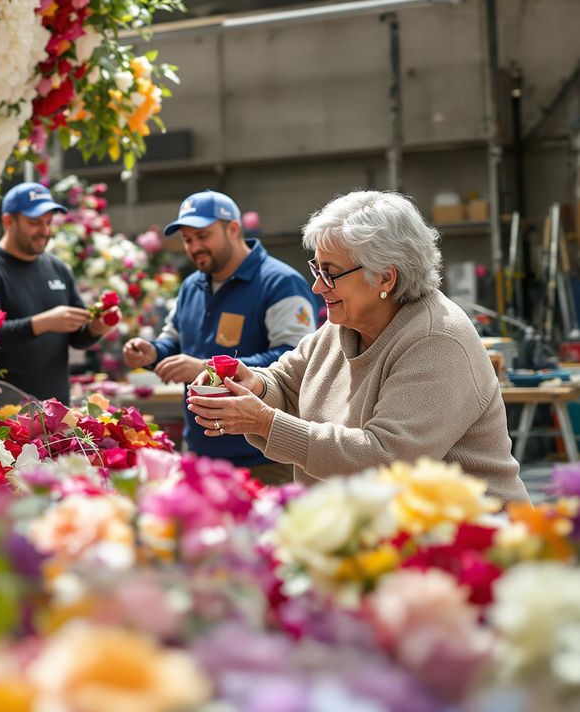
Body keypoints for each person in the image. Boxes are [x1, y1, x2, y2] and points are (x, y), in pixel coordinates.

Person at [186, 190, 529, 503]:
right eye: (316, 268)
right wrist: (253, 384)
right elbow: (287, 383)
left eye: (330, 273)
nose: (318, 287)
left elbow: (384, 462)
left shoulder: (435, 339)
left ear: (385, 277)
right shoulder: (345, 324)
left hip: (468, 547)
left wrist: (264, 422)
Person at [122, 191, 316, 484]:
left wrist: (203, 367)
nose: (194, 246)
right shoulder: (191, 286)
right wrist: (151, 352)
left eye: (203, 235)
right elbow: (173, 341)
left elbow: (296, 359)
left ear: (234, 229)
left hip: (264, 460)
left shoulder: (280, 282)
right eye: (187, 240)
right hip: (201, 455)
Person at [0, 182, 119, 404]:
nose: (44, 231)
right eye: (34, 223)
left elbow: (78, 337)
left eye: (48, 222)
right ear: (8, 221)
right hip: (1, 411)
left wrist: (96, 327)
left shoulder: (58, 268)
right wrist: (43, 323)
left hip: (56, 408)